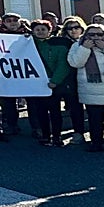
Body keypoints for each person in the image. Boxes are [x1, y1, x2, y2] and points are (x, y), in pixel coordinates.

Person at [68, 23, 104, 155]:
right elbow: (75, 62)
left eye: (99, 34)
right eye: (91, 34)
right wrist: (85, 49)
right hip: (92, 88)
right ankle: (96, 143)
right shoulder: (77, 46)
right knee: (95, 119)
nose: (95, 37)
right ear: (85, 35)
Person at [28, 19, 69, 147]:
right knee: (40, 111)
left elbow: (63, 64)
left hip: (53, 83)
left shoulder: (58, 45)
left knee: (55, 112)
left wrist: (55, 81)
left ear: (49, 31)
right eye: (37, 30)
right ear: (33, 31)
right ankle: (45, 135)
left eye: (43, 29)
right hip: (37, 84)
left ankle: (57, 136)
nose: (40, 32)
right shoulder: (28, 45)